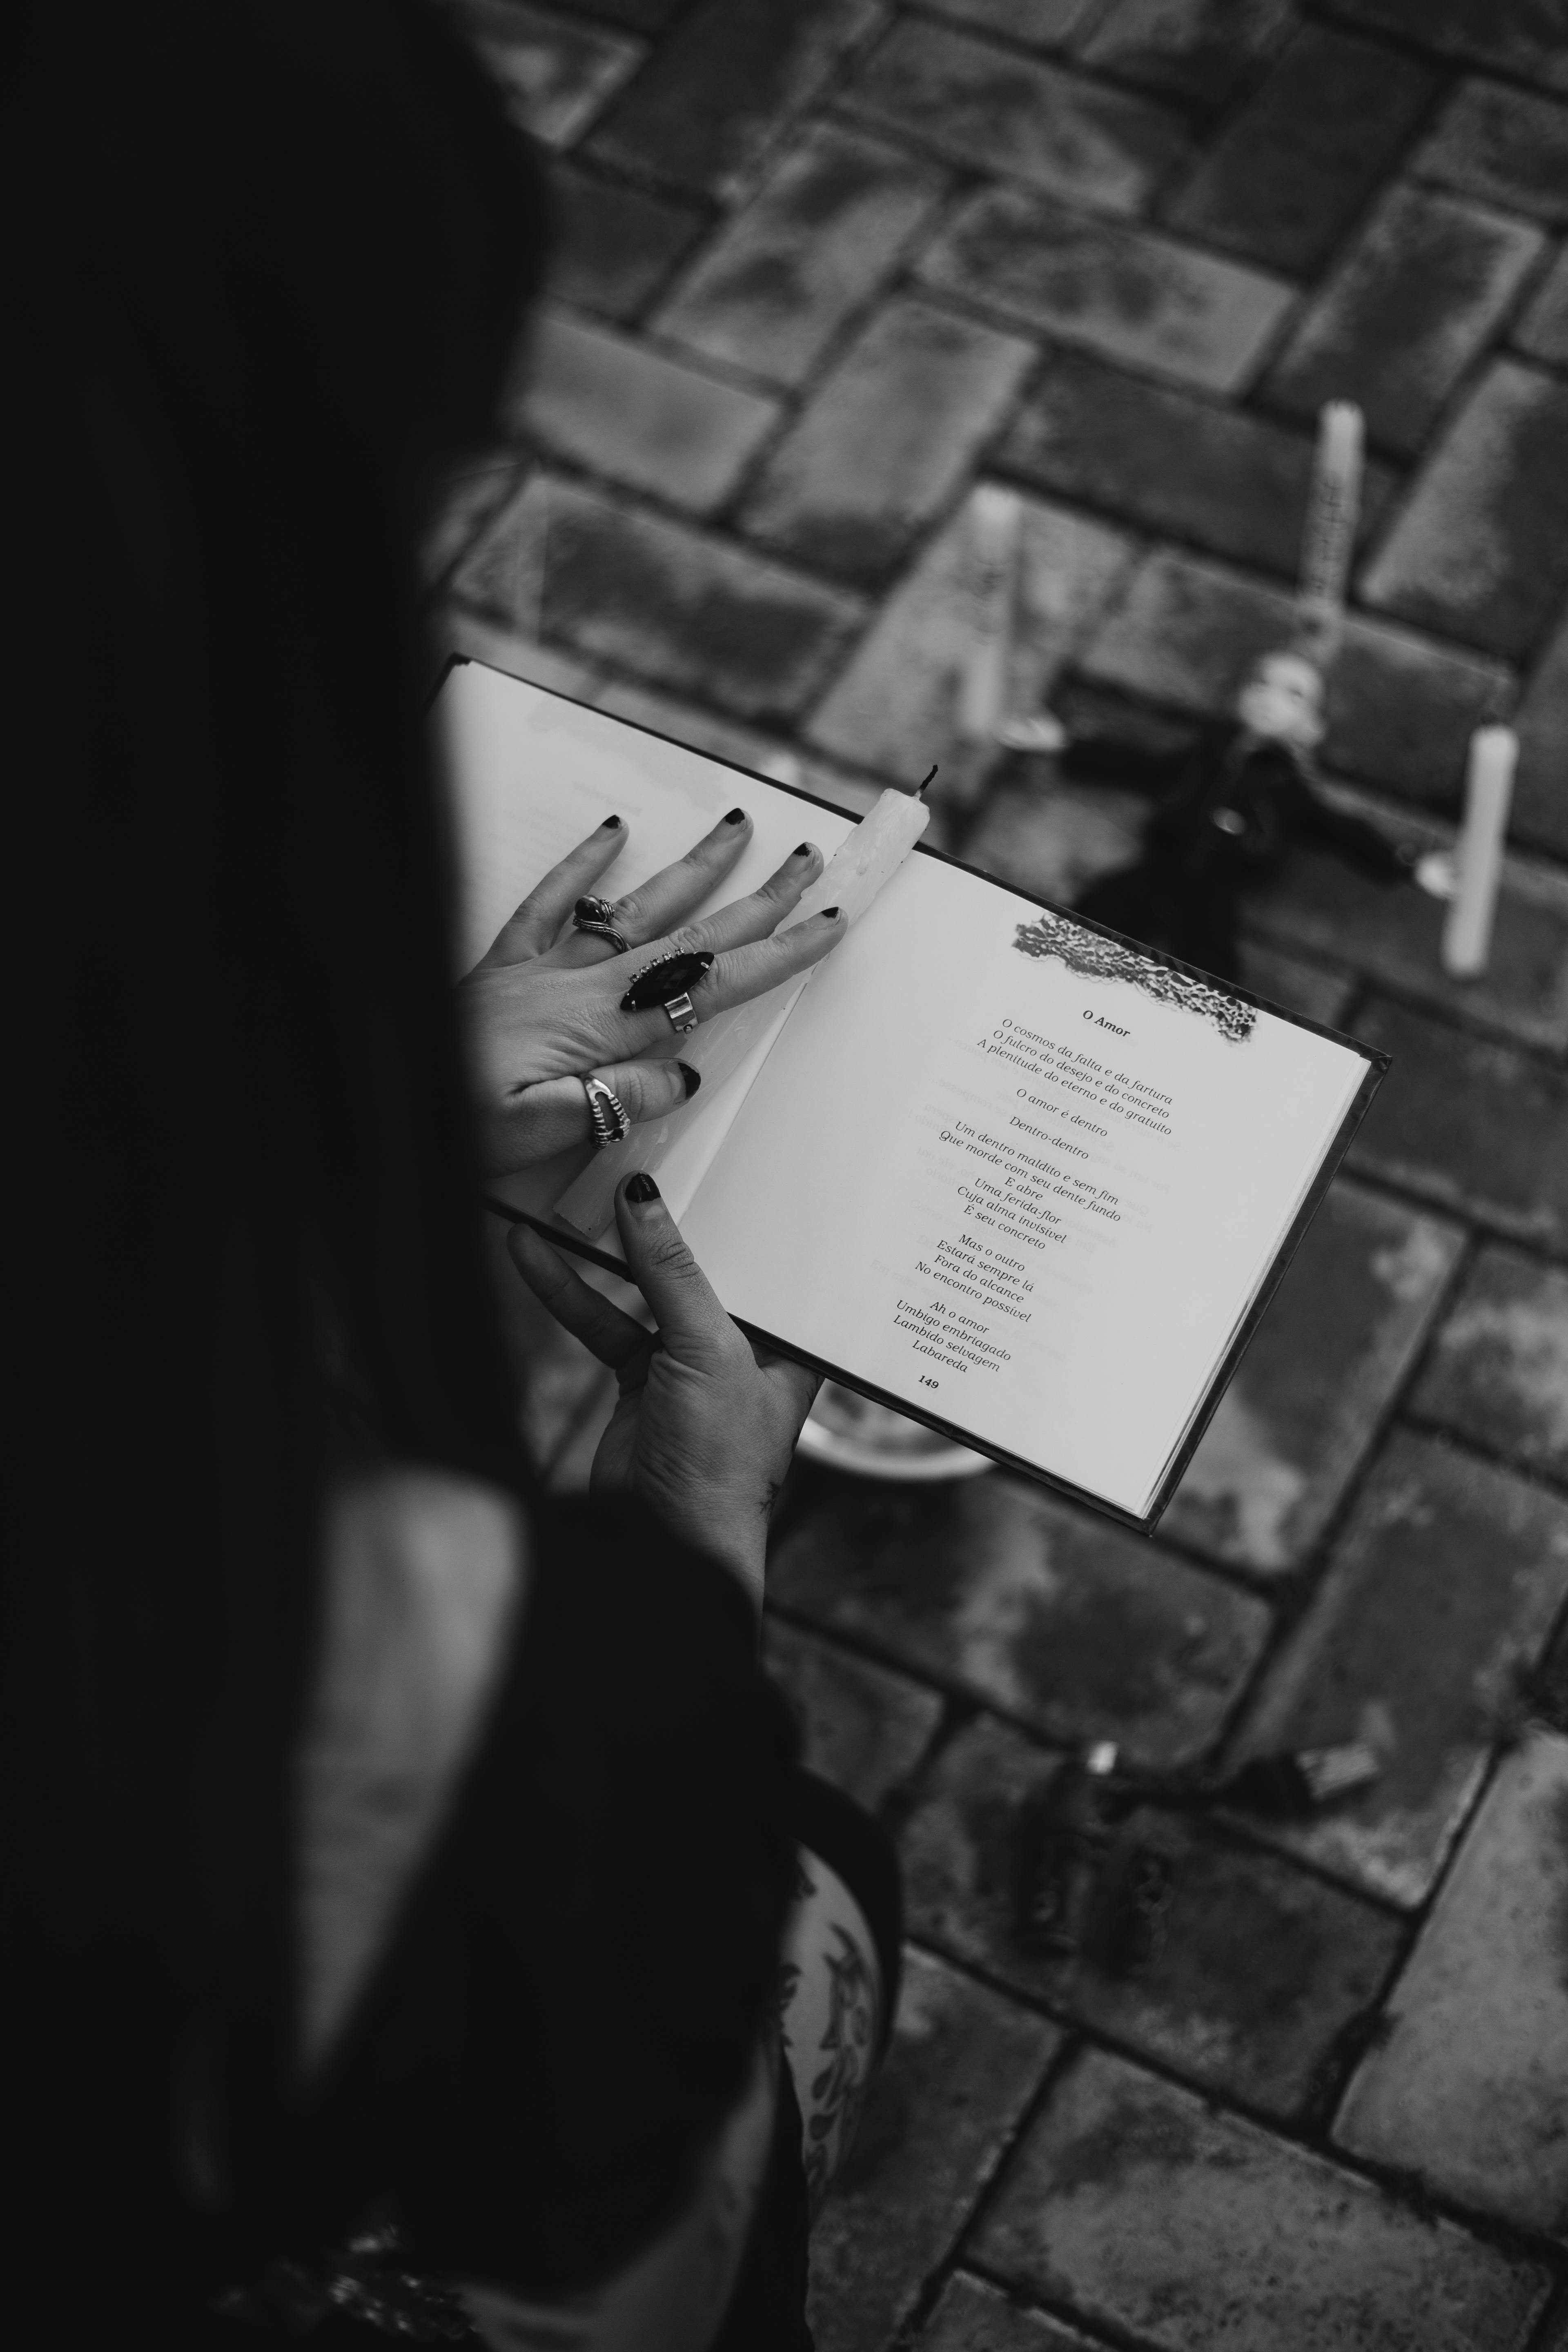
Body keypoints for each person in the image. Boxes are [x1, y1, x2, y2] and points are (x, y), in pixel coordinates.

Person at [1, 4, 896, 2344]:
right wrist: (692, 1529)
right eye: (409, 529)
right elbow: (579, 2141)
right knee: (799, 1904)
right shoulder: (278, 1643)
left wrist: (356, 1102)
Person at [1036, 648, 1448, 983]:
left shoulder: (1291, 790)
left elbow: (1344, 834)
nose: (1270, 698)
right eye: (1261, 683)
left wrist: (1407, 866)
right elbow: (1137, 765)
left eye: (1294, 695)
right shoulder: (1206, 756)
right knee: (1089, 924)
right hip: (1159, 867)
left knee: (1210, 969)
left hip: (1215, 889)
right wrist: (1066, 745)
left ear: (1313, 726)